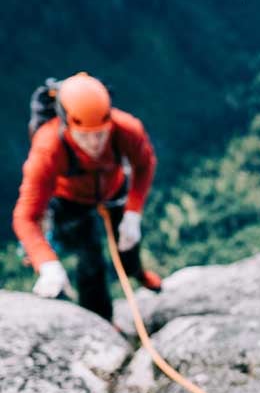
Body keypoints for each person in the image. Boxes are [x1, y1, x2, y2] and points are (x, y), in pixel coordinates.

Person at [13, 72, 161, 322]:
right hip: (70, 202)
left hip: (113, 191)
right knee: (90, 260)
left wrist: (133, 213)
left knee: (128, 242)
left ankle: (136, 272)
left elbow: (144, 164)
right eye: (85, 135)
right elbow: (25, 217)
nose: (94, 143)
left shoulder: (126, 129)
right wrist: (47, 264)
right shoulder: (47, 148)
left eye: (101, 133)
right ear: (66, 123)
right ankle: (102, 322)